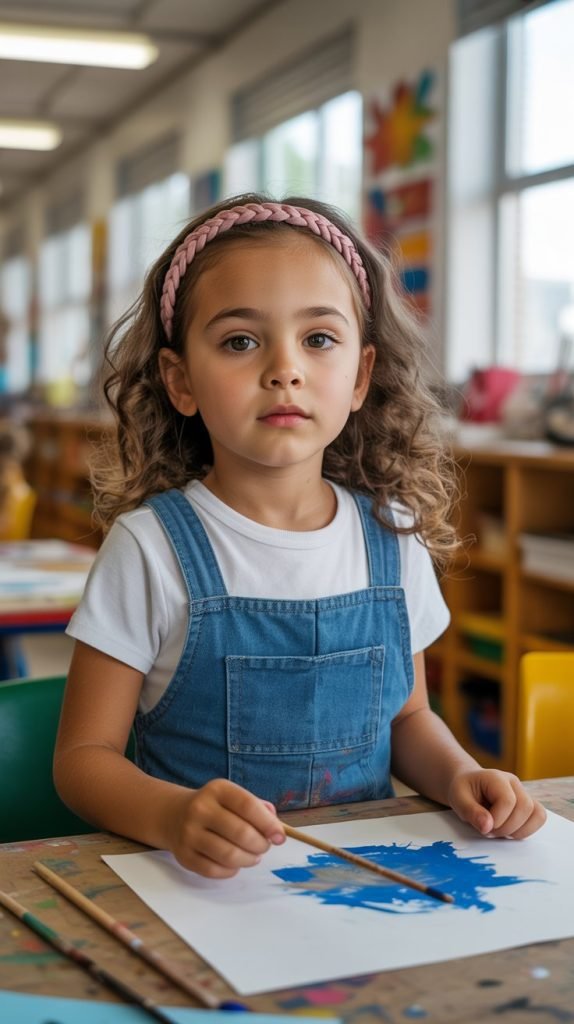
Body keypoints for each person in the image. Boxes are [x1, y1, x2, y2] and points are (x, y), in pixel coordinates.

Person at [54, 194, 546, 879]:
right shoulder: (150, 549)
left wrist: (460, 774)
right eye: (239, 341)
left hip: (358, 887)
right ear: (180, 380)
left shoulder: (390, 539)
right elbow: (83, 761)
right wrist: (172, 816)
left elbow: (407, 723)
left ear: (360, 376)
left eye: (318, 339)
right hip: (200, 897)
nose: (284, 369)